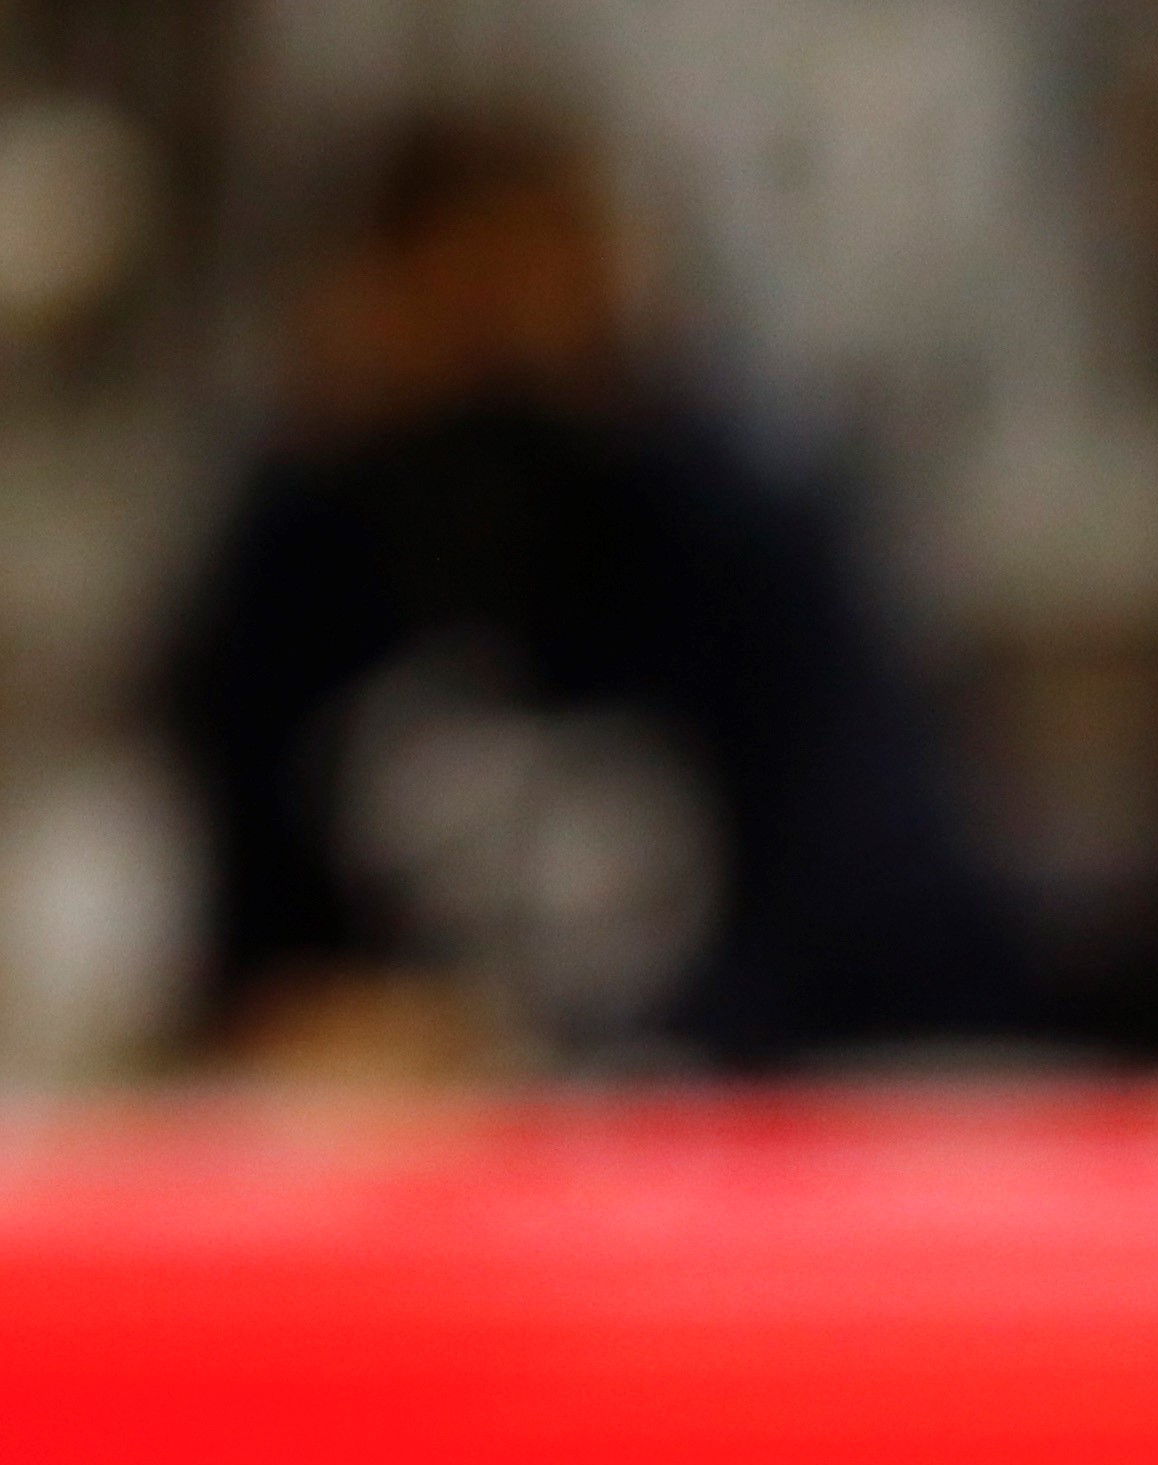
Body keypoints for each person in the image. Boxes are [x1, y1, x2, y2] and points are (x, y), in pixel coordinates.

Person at [165, 115, 1026, 1075]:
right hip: (403, 1144)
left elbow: (884, 928)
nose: (496, 358)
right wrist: (333, 1034)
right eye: (451, 312)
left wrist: (574, 1062)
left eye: (529, 300)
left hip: (716, 1118)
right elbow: (247, 962)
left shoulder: (743, 541)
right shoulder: (294, 563)